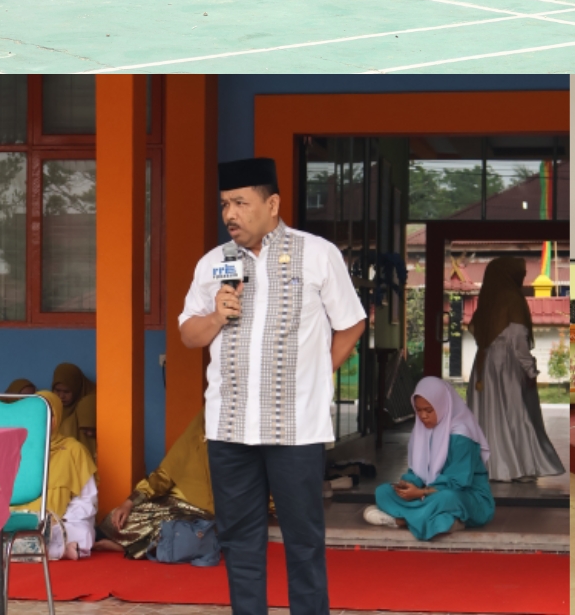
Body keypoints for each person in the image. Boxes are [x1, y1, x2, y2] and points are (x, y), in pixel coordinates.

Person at [178, 156, 368, 615]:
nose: (230, 215)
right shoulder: (214, 264)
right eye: (225, 204)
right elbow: (188, 334)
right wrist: (217, 315)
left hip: (295, 429)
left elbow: (351, 323)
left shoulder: (317, 254)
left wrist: (317, 373)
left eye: (241, 203)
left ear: (273, 204)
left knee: (303, 541)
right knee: (239, 542)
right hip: (230, 428)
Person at [467, 256, 564, 483]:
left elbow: (479, 333)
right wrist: (531, 371)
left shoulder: (488, 301)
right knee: (515, 413)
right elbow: (519, 342)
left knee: (488, 415)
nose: (522, 277)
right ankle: (519, 467)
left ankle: (490, 467)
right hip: (507, 366)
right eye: (519, 273)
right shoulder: (512, 299)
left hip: (483, 366)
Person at [364, 377, 495, 540]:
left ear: (442, 405)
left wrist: (420, 492)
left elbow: (457, 483)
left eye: (428, 410)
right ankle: (436, 520)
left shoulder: (462, 435)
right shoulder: (422, 430)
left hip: (467, 498)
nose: (423, 416)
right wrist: (407, 485)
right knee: (383, 492)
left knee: (447, 498)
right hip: (428, 495)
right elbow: (417, 471)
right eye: (418, 410)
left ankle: (401, 520)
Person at [96, 413, 215, 560]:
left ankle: (128, 547)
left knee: (179, 531)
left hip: (206, 517)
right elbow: (163, 476)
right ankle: (126, 544)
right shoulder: (193, 438)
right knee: (118, 519)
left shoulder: (233, 450)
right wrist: (128, 503)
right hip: (173, 505)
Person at [17, 390, 99, 560]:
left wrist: (60, 520)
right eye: (37, 413)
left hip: (59, 522)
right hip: (22, 518)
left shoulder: (74, 450)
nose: (42, 419)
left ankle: (32, 549)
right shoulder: (18, 449)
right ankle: (55, 550)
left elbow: (87, 498)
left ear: (58, 417)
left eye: (49, 414)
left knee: (82, 532)